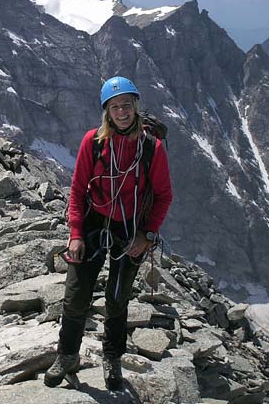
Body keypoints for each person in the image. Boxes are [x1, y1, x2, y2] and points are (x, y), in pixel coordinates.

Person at [44, 76, 173, 391]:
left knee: (117, 300)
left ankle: (112, 358)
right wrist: (76, 233)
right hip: (93, 224)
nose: (122, 112)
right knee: (75, 296)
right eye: (115, 107)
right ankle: (67, 356)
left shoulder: (151, 148)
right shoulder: (94, 141)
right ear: (107, 111)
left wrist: (147, 235)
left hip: (130, 230)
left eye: (126, 105)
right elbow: (77, 190)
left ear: (135, 106)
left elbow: (164, 195)